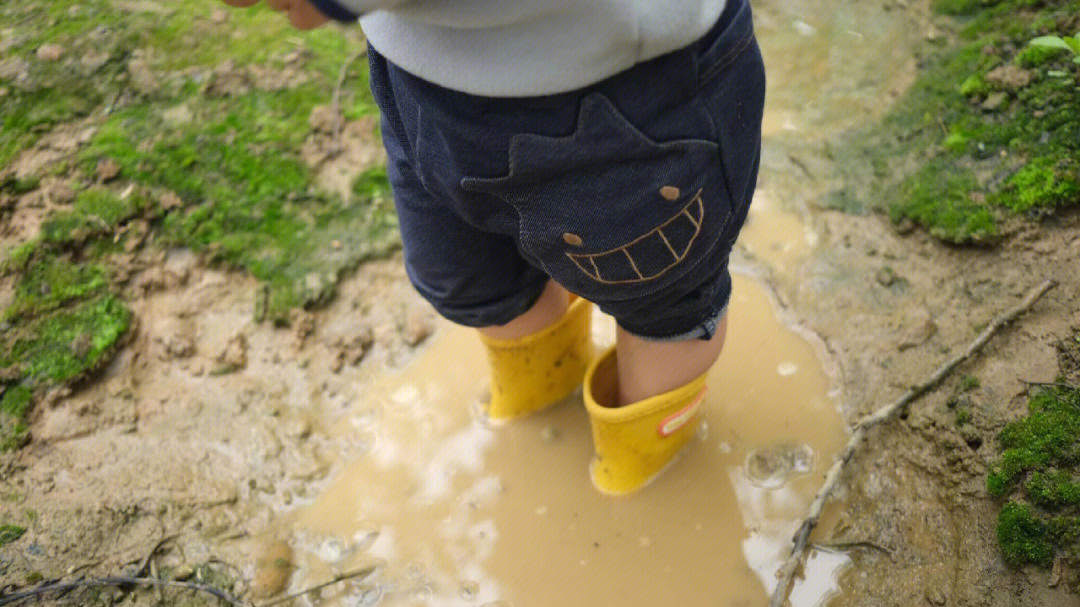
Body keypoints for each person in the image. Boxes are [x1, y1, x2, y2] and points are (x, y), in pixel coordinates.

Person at [223, 0, 765, 495]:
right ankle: (541, 395)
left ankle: (644, 471)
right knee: (473, 283)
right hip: (422, 78)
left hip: (626, 87)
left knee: (662, 306)